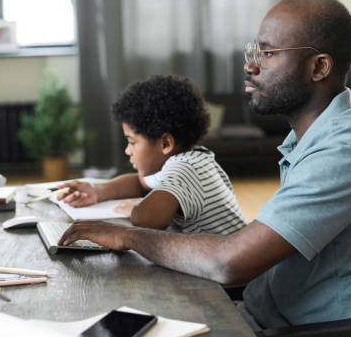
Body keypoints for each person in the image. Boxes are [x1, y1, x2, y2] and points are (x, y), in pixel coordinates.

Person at [59, 0, 351, 336]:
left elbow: (230, 262)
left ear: (319, 67)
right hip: (260, 313)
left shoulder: (343, 151)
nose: (250, 66)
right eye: (253, 52)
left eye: (267, 54)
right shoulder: (318, 139)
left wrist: (129, 237)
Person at [57, 74, 247, 235]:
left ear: (165, 143)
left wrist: (133, 211)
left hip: (234, 273)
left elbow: (150, 219)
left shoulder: (186, 169)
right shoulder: (188, 159)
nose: (127, 150)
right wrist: (97, 191)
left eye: (132, 142)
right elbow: (140, 184)